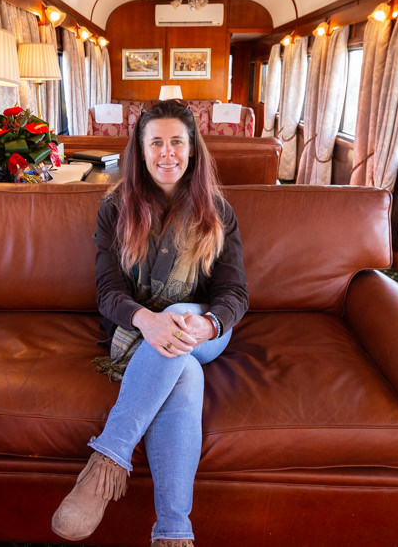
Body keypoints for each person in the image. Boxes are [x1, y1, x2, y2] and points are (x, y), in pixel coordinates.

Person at [51, 99, 249, 547]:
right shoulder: (113, 210)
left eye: (177, 142)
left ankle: (107, 463)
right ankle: (174, 532)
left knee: (180, 324)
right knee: (186, 371)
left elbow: (234, 294)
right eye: (155, 142)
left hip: (205, 329)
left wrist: (211, 324)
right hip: (136, 331)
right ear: (140, 153)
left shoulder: (219, 212)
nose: (167, 153)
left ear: (193, 149)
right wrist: (146, 320)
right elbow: (108, 294)